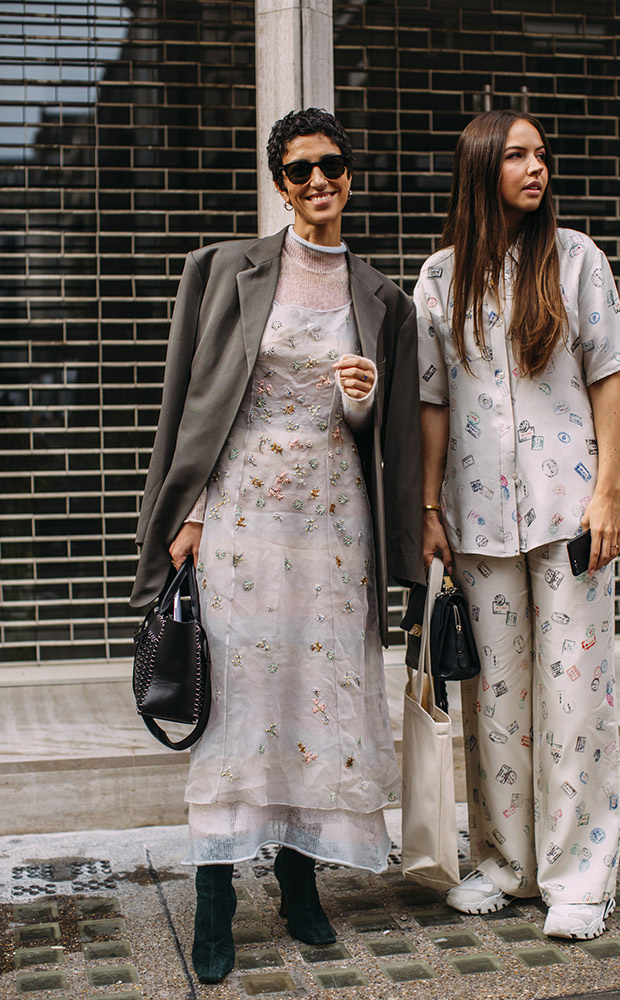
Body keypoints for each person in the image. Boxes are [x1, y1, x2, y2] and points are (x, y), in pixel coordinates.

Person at [130, 107, 423, 983]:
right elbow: (189, 400)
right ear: (279, 181)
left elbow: (389, 435)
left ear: (348, 173)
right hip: (242, 520)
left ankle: (300, 887)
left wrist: (362, 401)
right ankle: (214, 898)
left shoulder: (384, 299)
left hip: (334, 529)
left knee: (315, 701)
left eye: (331, 164)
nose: (318, 181)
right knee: (238, 702)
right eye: (300, 170)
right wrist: (185, 513)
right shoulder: (223, 270)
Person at [416, 109, 620, 941]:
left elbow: (609, 380)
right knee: (497, 703)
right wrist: (429, 508)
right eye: (515, 156)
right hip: (477, 523)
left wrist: (606, 492)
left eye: (540, 154)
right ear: (481, 169)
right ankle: (504, 866)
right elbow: (432, 403)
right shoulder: (439, 278)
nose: (535, 168)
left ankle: (578, 877)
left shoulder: (576, 258)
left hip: (569, 511)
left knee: (575, 700)